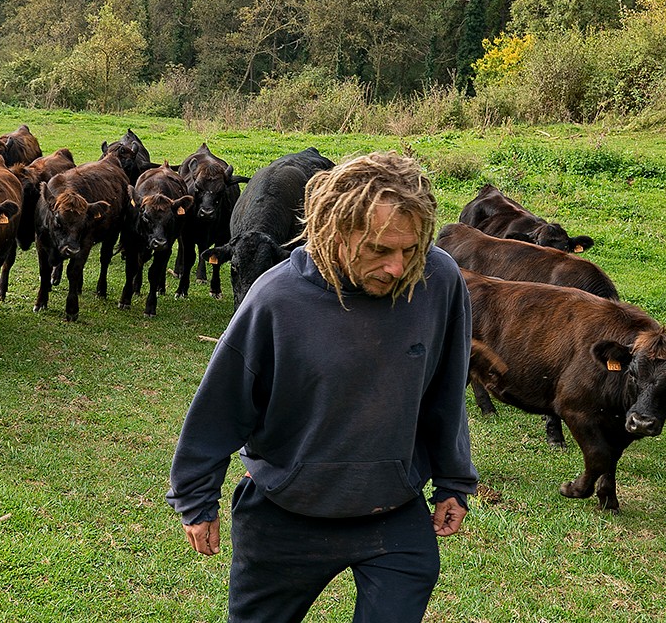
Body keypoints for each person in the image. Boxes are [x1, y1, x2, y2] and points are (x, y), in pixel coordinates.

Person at [167, 151, 477, 623]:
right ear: (334, 233)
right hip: (286, 510)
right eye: (379, 249)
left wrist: (454, 481)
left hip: (392, 509)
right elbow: (222, 404)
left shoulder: (437, 281)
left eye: (409, 249)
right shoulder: (276, 297)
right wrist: (195, 496)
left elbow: (446, 390)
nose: (397, 267)